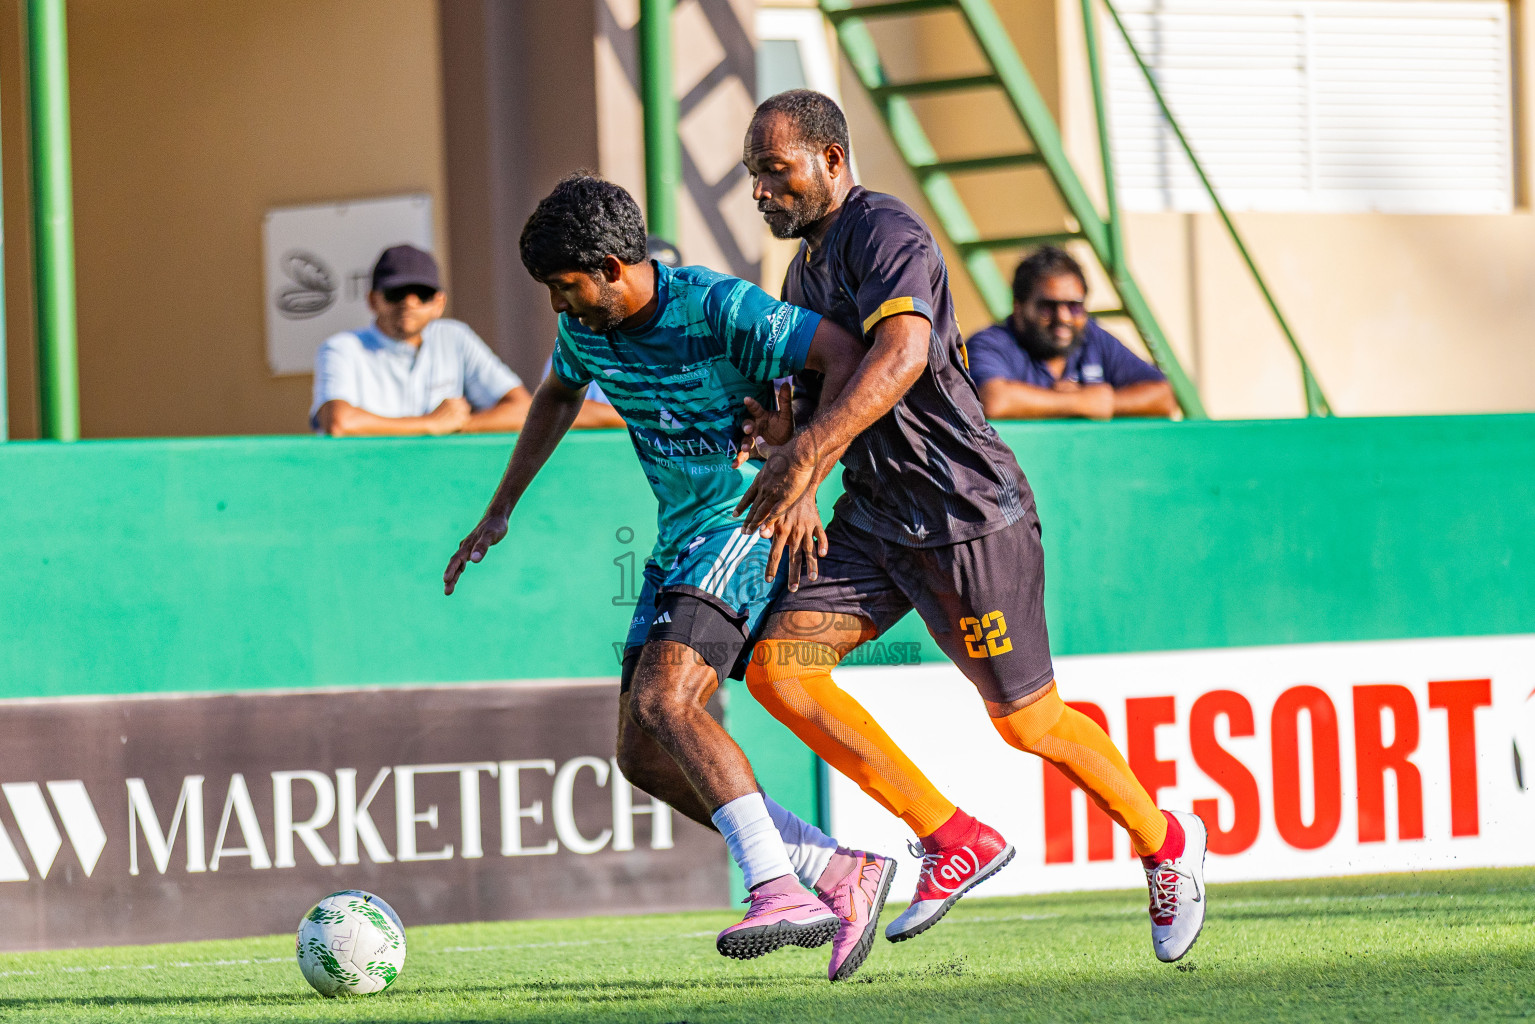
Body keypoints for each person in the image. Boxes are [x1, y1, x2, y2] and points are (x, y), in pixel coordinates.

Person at [734, 89, 1207, 962]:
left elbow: (904, 355)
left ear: (831, 162)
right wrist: (771, 435)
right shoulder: (801, 274)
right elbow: (814, 400)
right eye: (752, 173)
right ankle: (952, 838)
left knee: (1027, 724)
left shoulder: (884, 231)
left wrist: (807, 459)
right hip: (877, 520)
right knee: (779, 672)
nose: (760, 189)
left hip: (964, 511)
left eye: (774, 169)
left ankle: (1164, 842)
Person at [442, 174, 897, 981]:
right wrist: (499, 508)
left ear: (615, 266)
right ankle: (835, 870)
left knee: (665, 700)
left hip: (745, 519)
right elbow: (553, 394)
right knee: (643, 755)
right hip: (677, 543)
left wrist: (803, 468)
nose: (560, 307)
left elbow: (842, 354)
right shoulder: (589, 331)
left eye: (566, 287)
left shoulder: (719, 305)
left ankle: (775, 888)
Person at [311, 245, 533, 436]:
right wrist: (431, 424)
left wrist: (458, 425)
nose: (409, 303)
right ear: (372, 300)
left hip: (437, 477)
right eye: (395, 292)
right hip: (367, 476)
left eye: (422, 293)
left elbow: (523, 409)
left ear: (439, 304)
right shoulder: (342, 348)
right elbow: (339, 422)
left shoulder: (455, 337)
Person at [968, 246, 1177, 420]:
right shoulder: (989, 343)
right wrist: (1080, 402)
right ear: (1018, 308)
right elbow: (994, 400)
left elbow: (1163, 396)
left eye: (1074, 306)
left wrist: (1106, 401)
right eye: (1048, 307)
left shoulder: (1094, 338)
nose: (1064, 317)